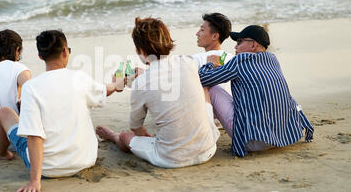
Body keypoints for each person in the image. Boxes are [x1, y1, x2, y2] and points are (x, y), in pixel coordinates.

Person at [0, 30, 122, 192]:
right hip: (84, 160)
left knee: (4, 112)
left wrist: (35, 180)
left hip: (49, 169)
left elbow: (34, 136)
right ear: (65, 51)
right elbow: (104, 90)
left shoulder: (32, 88)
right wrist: (118, 83)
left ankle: (0, 152)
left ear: (40, 56)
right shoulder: (80, 78)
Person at [96, 17, 219, 168]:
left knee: (125, 136)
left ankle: (114, 137)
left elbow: (136, 127)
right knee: (203, 87)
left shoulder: (142, 83)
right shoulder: (187, 62)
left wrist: (148, 139)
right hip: (208, 149)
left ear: (140, 50)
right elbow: (166, 76)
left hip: (172, 159)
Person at [198, 25, 314, 157]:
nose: (235, 47)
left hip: (254, 141)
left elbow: (202, 79)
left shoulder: (240, 61)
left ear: (253, 45)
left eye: (239, 42)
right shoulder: (272, 60)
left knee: (212, 89)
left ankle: (202, 134)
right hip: (284, 136)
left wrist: (210, 63)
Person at [191, 13, 234, 94]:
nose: (197, 34)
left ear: (214, 36)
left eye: (202, 30)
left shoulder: (196, 59)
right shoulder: (233, 59)